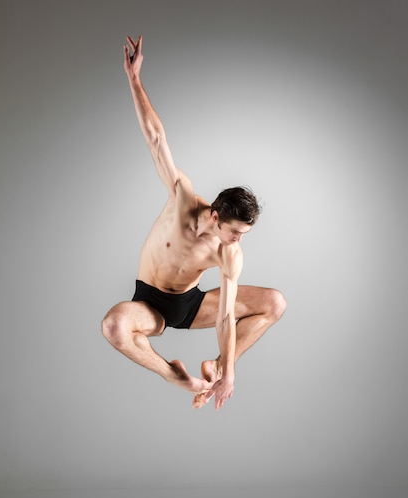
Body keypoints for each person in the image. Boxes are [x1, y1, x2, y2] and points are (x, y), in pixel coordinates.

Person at [102, 34, 286, 410]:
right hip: (150, 303)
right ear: (216, 216)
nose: (237, 241)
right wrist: (134, 80)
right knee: (115, 326)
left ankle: (214, 368)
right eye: (234, 232)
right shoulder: (182, 199)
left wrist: (228, 370)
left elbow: (223, 319)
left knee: (274, 303)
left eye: (243, 235)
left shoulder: (229, 254)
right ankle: (174, 375)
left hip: (190, 304)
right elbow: (156, 139)